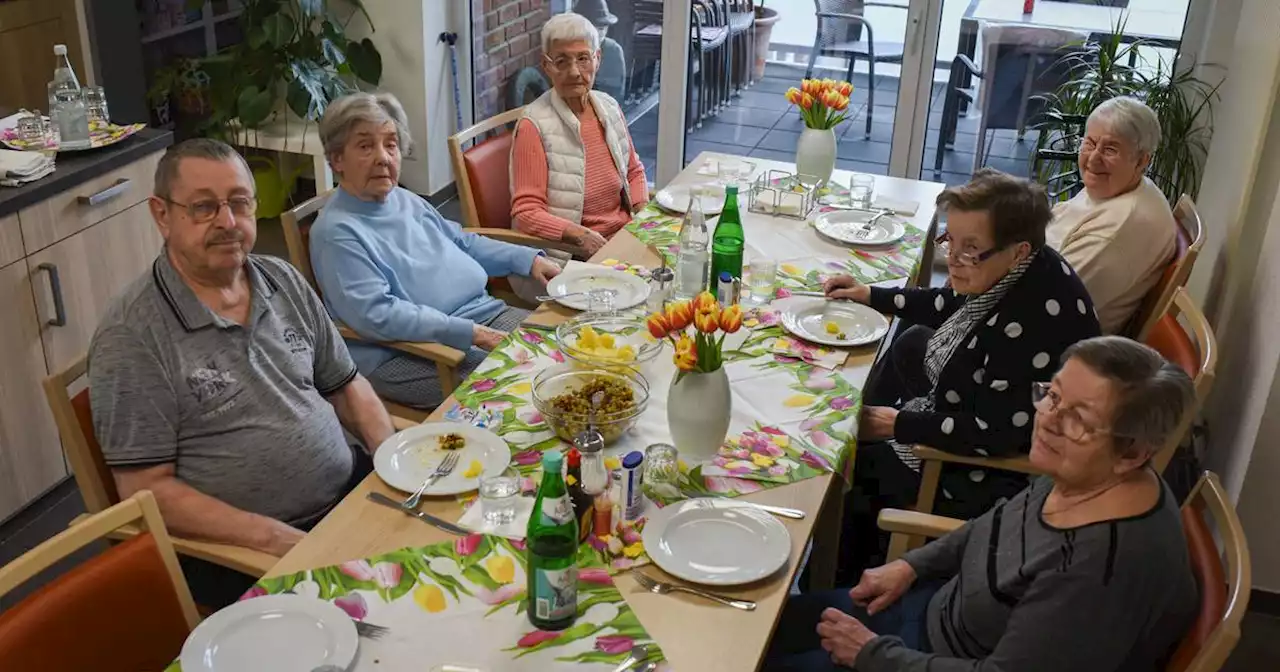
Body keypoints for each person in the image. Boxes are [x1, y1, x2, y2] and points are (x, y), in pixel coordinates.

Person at [764, 336, 1199, 671]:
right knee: (762, 621)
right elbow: (996, 528)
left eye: (1079, 419)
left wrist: (872, 654)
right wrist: (912, 565)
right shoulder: (1086, 474)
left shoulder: (1098, 573)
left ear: (1133, 453)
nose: (1048, 419)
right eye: (1052, 396)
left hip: (930, 655)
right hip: (934, 613)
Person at [88, 139, 395, 607]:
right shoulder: (132, 335)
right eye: (204, 207)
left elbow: (347, 386)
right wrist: (272, 539)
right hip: (245, 553)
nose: (228, 222)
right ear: (161, 215)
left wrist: (394, 459)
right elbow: (144, 490)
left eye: (238, 203)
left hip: (348, 498)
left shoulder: (281, 278)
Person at [823, 170, 1100, 578]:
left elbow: (996, 433)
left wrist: (897, 424)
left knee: (856, 467)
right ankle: (864, 415)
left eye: (971, 249)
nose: (952, 258)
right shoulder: (1018, 266)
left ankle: (840, 584)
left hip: (991, 471)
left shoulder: (1029, 323)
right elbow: (949, 300)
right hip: (981, 399)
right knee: (912, 342)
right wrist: (871, 295)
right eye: (949, 240)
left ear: (1018, 250)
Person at [310, 92, 561, 410]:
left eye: (391, 144)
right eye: (364, 145)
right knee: (532, 386)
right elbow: (378, 315)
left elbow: (462, 243)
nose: (383, 157)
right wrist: (471, 334)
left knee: (567, 347)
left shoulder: (404, 199)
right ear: (336, 160)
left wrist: (528, 259)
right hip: (411, 352)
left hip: (481, 316)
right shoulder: (336, 233)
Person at [510, 12, 649, 256]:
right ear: (546, 66)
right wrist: (580, 235)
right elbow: (526, 214)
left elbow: (634, 171)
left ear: (598, 59)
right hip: (569, 253)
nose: (574, 72)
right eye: (562, 61)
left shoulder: (609, 107)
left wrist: (643, 214)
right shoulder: (533, 126)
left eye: (583, 58)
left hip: (622, 237)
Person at [1047, 96, 1177, 334]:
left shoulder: (1119, 230)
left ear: (1142, 160)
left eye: (1110, 149)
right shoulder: (1120, 187)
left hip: (1052, 343)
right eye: (1090, 143)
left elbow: (1047, 300)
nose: (1094, 158)